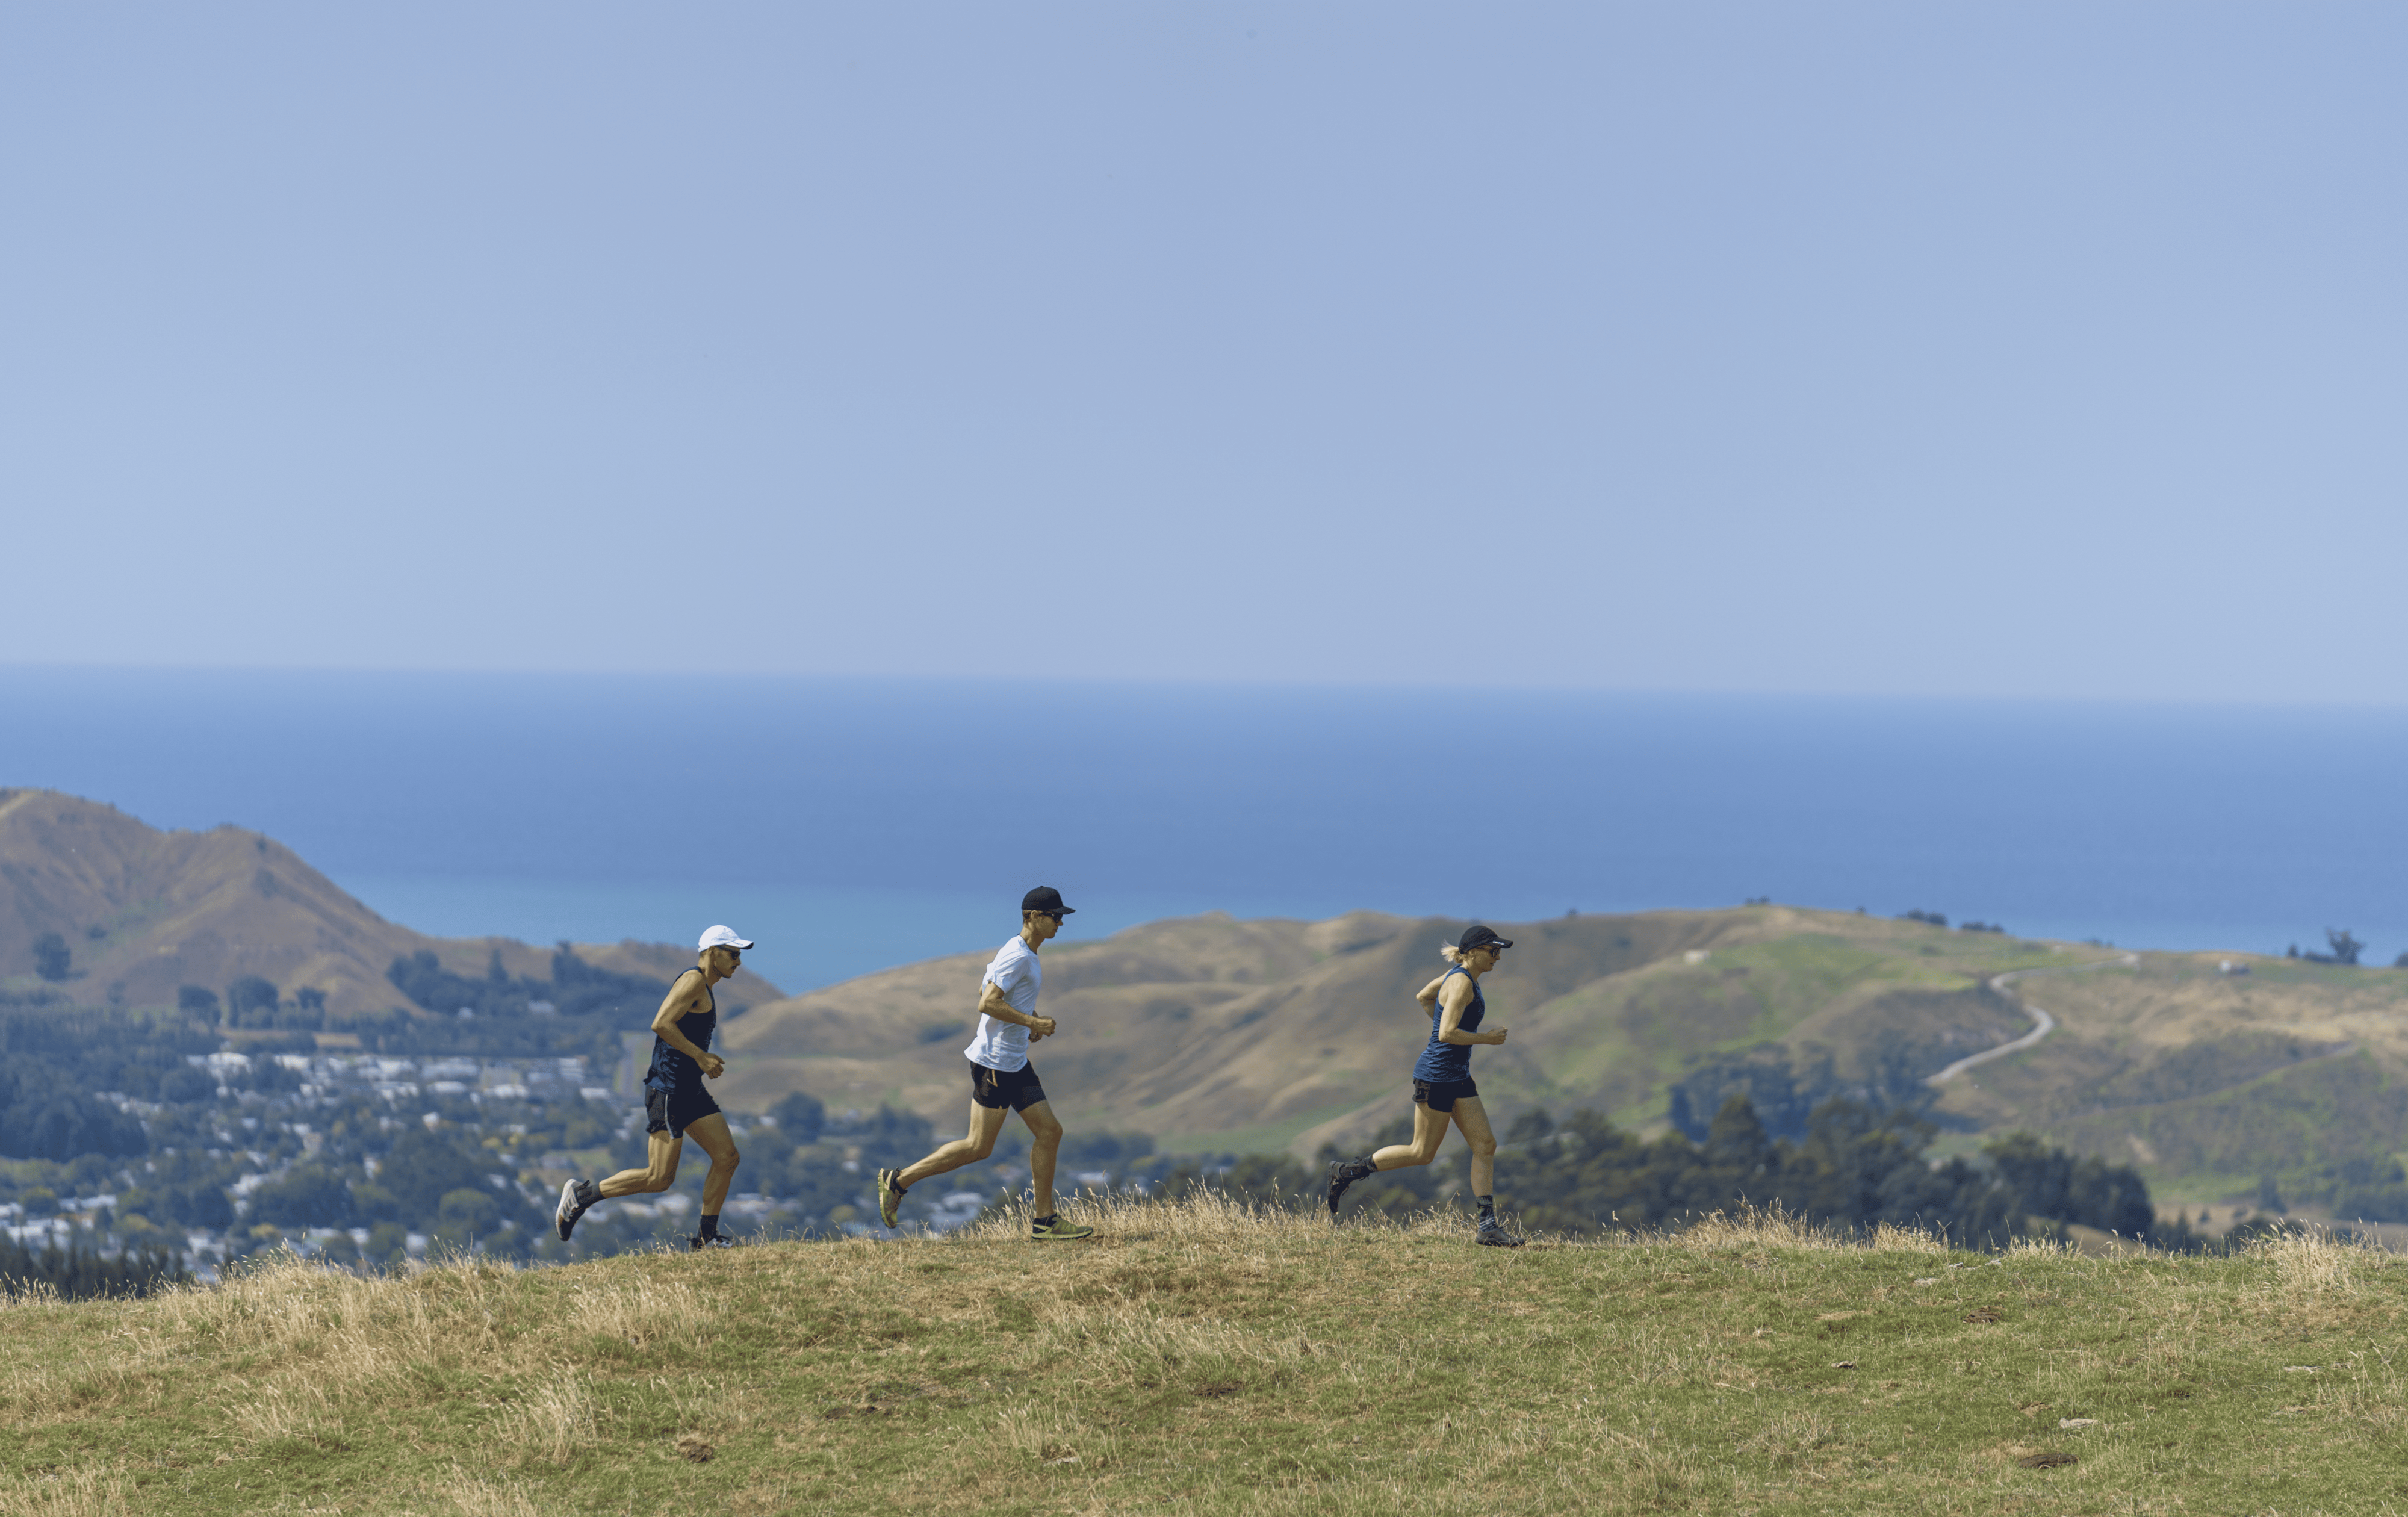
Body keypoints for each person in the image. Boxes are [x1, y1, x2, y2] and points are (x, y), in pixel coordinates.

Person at [877, 887, 1095, 1241]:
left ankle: (1045, 1222)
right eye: (1055, 916)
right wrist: (1032, 1024)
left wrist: (1028, 1017)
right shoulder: (1018, 956)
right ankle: (899, 1182)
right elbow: (987, 1003)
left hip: (1013, 1061)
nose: (1060, 922)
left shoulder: (1022, 952)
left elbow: (988, 992)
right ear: (1032, 917)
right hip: (995, 1064)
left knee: (1050, 1132)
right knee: (978, 1147)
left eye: (1061, 916)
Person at [1326, 924, 1522, 1246]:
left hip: (1457, 1074)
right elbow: (1446, 1034)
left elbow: (1424, 996)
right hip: (1437, 1076)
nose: (1498, 957)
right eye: (1493, 951)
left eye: (1499, 951)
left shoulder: (1461, 977)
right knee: (1422, 1153)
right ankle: (1347, 1171)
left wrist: (1445, 1028)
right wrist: (1485, 1039)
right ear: (1473, 952)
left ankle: (1487, 1227)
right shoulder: (1460, 984)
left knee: (1485, 1145)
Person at [556, 925, 750, 1250]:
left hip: (690, 1089)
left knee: (727, 1157)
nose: (738, 961)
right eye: (733, 953)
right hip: (670, 1091)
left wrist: (699, 1063)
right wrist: (701, 1056)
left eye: (739, 954)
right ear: (712, 952)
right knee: (659, 1179)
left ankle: (706, 1239)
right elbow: (660, 1023)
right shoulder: (694, 981)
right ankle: (581, 1196)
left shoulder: (705, 987)